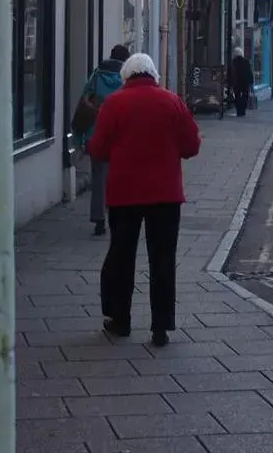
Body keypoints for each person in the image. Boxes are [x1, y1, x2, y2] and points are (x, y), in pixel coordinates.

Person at [88, 52, 201, 347]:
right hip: (165, 196)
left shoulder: (114, 103)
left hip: (124, 195)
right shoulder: (172, 101)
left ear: (126, 77)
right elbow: (192, 146)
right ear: (153, 75)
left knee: (121, 256)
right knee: (163, 259)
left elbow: (98, 148)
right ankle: (160, 327)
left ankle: (119, 321)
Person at [74, 44, 130, 237]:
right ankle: (118, 215)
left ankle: (99, 219)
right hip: (120, 138)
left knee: (99, 177)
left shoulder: (96, 77)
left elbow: (83, 105)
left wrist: (80, 138)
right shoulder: (126, 80)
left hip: (95, 135)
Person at [229, 46, 254, 117]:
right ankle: (243, 111)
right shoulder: (246, 61)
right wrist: (251, 81)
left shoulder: (233, 62)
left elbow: (231, 73)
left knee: (237, 96)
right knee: (245, 95)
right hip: (245, 82)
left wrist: (230, 82)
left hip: (236, 82)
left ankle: (239, 111)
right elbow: (249, 72)